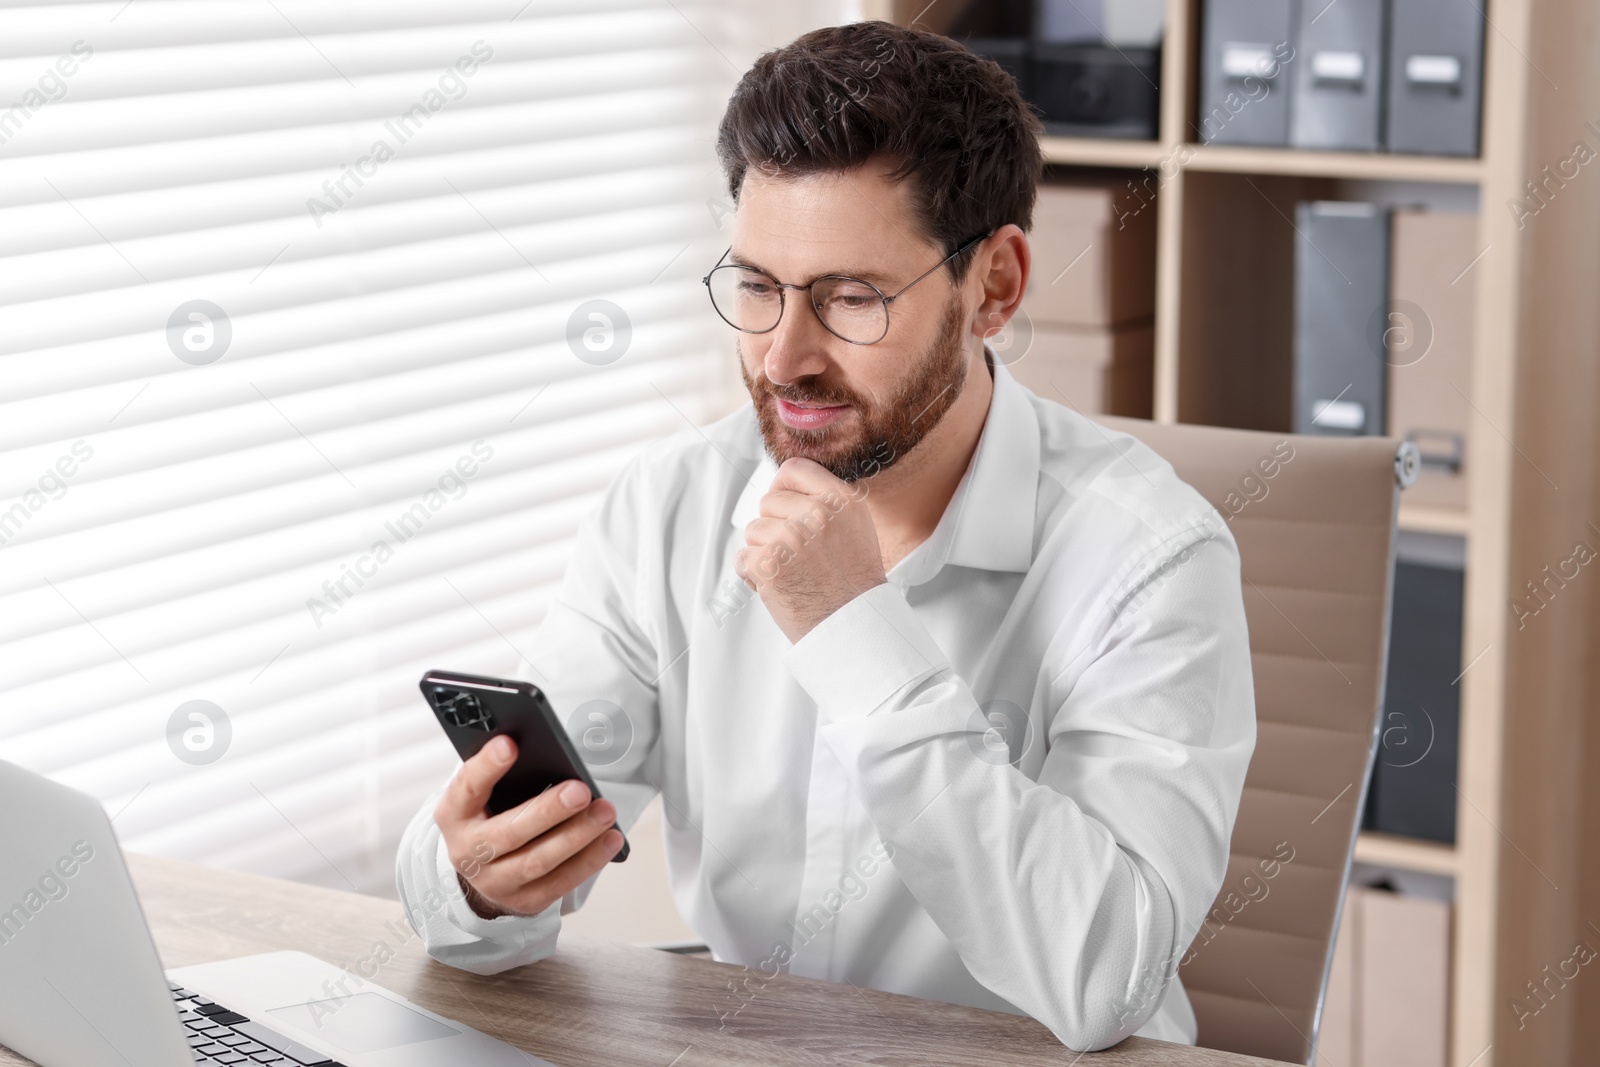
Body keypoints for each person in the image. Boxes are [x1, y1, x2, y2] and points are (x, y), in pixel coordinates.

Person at [397, 20, 1254, 1052]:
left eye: (852, 298)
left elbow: (1104, 975)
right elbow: (478, 893)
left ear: (994, 285)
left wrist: (852, 627)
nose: (782, 358)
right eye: (758, 287)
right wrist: (479, 881)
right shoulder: (670, 502)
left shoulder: (1150, 553)